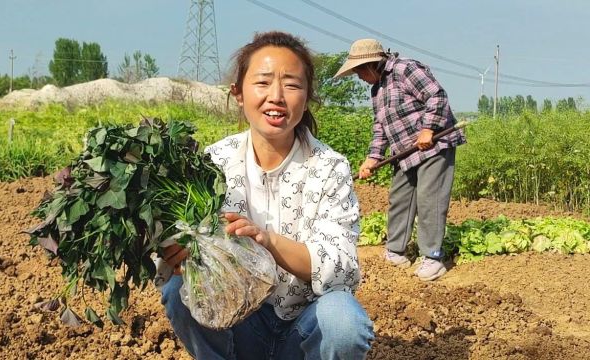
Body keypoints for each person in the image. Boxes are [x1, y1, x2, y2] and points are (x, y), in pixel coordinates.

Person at [157, 31, 374, 359]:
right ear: (238, 93)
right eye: (262, 83)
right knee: (179, 290)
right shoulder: (213, 163)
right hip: (237, 321)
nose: (277, 96)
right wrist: (172, 252)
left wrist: (266, 240)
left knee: (343, 320)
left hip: (304, 328)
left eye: (291, 84)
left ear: (307, 96)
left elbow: (342, 266)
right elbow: (170, 255)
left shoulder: (329, 167)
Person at [333, 38, 465, 281]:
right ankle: (396, 252)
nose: (359, 77)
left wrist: (428, 129)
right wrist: (373, 157)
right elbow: (380, 126)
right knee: (400, 199)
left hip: (433, 146)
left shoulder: (406, 69)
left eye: (359, 71)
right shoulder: (377, 89)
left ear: (372, 64)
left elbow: (436, 96)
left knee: (429, 200)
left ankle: (432, 257)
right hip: (405, 152)